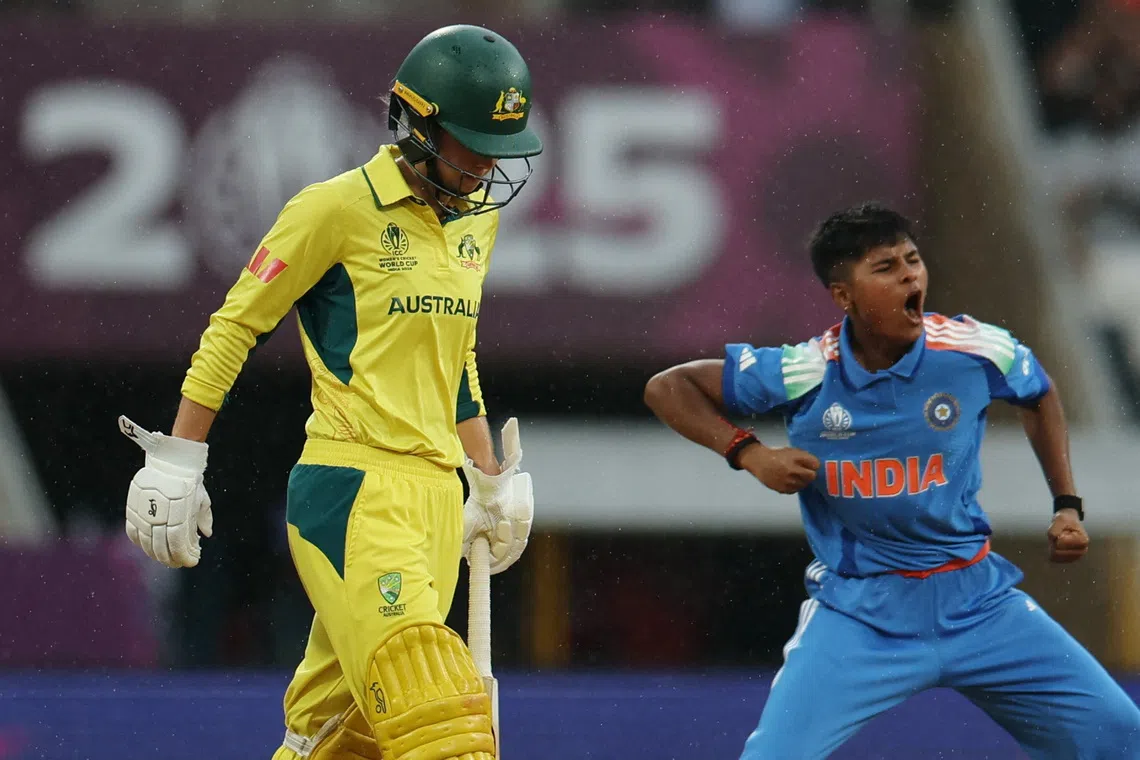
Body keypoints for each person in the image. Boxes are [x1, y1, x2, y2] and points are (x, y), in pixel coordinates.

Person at [118, 24, 538, 760]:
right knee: (445, 725)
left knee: (343, 741)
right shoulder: (334, 209)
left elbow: (455, 356)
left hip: (437, 498)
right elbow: (234, 327)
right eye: (474, 144)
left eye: (499, 150)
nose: (487, 168)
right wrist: (179, 459)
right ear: (417, 122)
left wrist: (487, 478)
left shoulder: (478, 222)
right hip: (353, 493)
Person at [644, 203, 1140, 759]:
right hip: (861, 616)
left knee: (1121, 735)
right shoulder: (805, 370)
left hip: (979, 605)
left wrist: (1067, 504)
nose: (910, 275)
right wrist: (749, 452)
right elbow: (668, 387)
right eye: (885, 267)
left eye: (913, 260)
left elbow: (1038, 392)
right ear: (843, 296)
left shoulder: (975, 351)